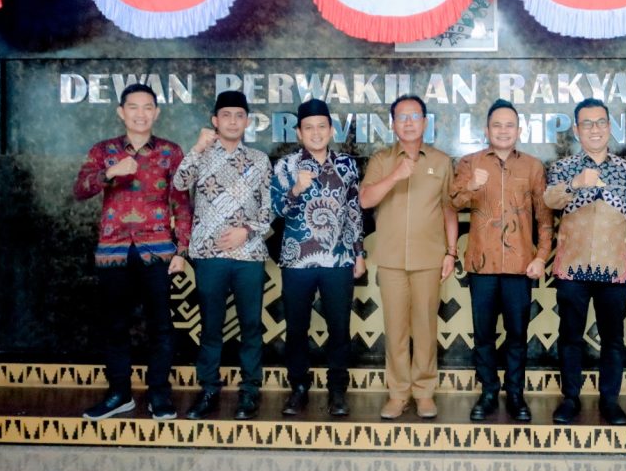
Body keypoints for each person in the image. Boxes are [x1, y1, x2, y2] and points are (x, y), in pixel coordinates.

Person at [74, 83, 191, 421]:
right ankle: (119, 393)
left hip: (158, 249)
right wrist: (110, 172)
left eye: (147, 107)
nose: (141, 114)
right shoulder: (104, 151)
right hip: (114, 251)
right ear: (121, 112)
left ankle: (159, 394)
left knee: (161, 326)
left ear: (157, 112)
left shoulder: (171, 152)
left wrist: (182, 250)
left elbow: (182, 203)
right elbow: (80, 189)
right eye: (134, 107)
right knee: (115, 325)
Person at [544, 98, 626, 425]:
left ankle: (610, 400)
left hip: (615, 269)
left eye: (601, 122)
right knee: (570, 336)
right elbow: (550, 200)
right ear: (576, 130)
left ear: (609, 127)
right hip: (572, 269)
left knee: (613, 339)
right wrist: (575, 183)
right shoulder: (563, 168)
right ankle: (570, 398)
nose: (594, 129)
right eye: (587, 123)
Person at [450, 99, 553, 422]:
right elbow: (453, 202)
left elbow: (545, 218)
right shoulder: (470, 163)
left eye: (510, 125)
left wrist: (541, 257)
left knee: (517, 335)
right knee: (483, 334)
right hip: (482, 266)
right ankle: (488, 392)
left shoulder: (533, 167)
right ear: (487, 130)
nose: (503, 131)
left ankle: (516, 393)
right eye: (497, 125)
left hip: (521, 266)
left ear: (519, 130)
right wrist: (472, 186)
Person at [174, 90, 273, 420]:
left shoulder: (259, 160)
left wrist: (247, 230)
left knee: (251, 325)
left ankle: (249, 390)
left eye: (239, 115)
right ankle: (208, 389)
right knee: (211, 325)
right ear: (215, 120)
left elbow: (269, 209)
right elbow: (179, 184)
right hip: (208, 253)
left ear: (247, 121)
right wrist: (198, 147)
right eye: (226, 115)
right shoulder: (201, 155)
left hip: (249, 254)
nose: (233, 121)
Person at [360, 95, 458, 420]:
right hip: (390, 259)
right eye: (402, 117)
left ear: (425, 123)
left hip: (429, 258)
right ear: (393, 124)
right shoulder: (381, 160)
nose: (409, 122)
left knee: (426, 328)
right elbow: (365, 200)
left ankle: (424, 392)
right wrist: (395, 176)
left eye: (415, 116)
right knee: (396, 330)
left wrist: (451, 251)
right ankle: (398, 393)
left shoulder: (441, 162)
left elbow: (449, 209)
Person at [271, 99, 365, 417]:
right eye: (308, 127)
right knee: (297, 328)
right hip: (297, 260)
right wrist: (296, 189)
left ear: (331, 129)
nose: (315, 132)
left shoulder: (347, 165)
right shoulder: (286, 166)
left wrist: (359, 253)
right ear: (299, 133)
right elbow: (275, 210)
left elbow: (353, 211)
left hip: (338, 260)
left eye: (321, 126)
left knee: (339, 327)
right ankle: (298, 387)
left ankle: (337, 390)